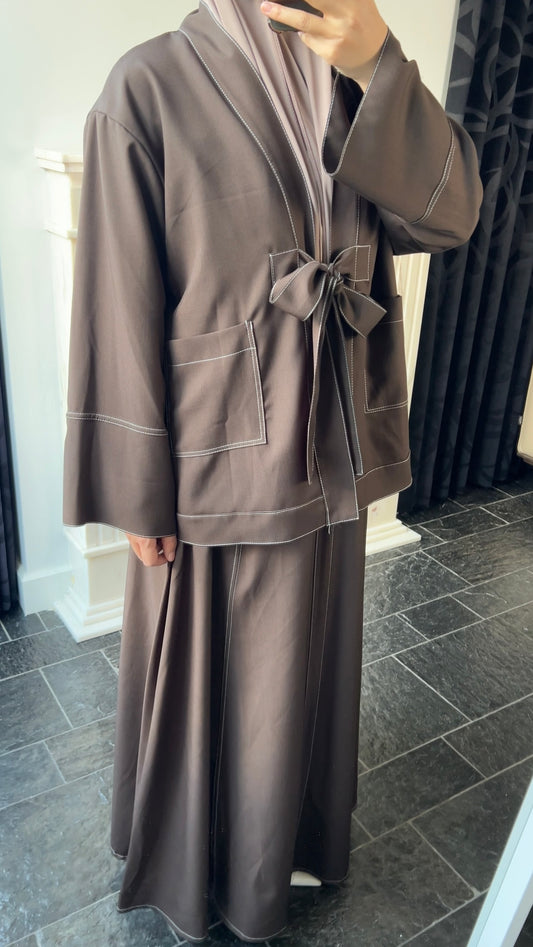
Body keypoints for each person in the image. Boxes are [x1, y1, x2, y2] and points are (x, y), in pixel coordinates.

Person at [63, 0, 483, 941]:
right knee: (207, 669)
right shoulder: (147, 83)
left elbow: (450, 215)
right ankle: (199, 864)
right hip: (214, 441)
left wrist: (379, 64)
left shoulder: (353, 72)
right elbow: (114, 305)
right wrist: (135, 487)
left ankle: (291, 836)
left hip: (330, 425)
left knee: (311, 658)